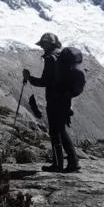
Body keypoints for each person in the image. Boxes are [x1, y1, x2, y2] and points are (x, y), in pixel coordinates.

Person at [24, 32, 80, 172]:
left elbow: (45, 81)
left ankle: (58, 164)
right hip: (65, 99)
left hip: (55, 100)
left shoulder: (50, 58)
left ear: (50, 44)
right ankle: (73, 162)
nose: (42, 46)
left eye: (44, 44)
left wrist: (29, 78)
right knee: (61, 130)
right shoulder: (62, 57)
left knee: (55, 132)